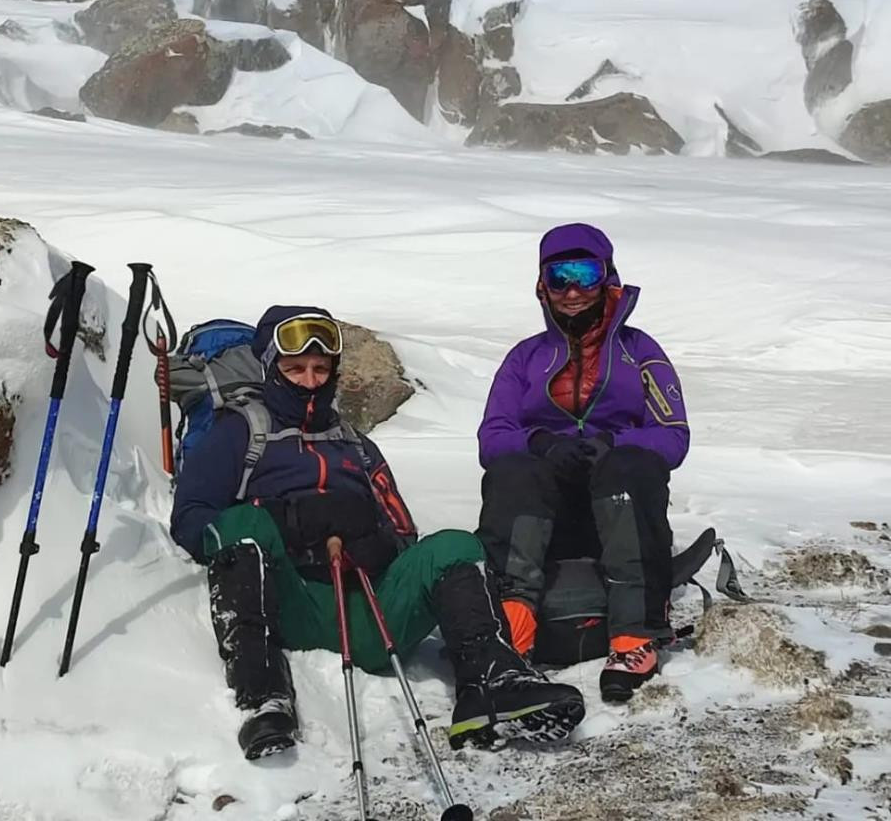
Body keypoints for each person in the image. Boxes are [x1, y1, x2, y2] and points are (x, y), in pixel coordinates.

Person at [170, 305, 585, 760]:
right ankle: (263, 695)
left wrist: (378, 543)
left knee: (454, 546)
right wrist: (282, 523)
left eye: (320, 368)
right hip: (291, 603)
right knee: (242, 525)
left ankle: (492, 682)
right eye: (295, 368)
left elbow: (403, 531)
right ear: (272, 368)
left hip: (368, 609)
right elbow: (192, 519)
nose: (309, 380)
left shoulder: (354, 443)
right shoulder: (242, 430)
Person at [476, 223, 689, 702]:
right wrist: (541, 444)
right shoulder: (524, 358)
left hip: (618, 510)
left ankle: (635, 635)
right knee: (514, 470)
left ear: (607, 279)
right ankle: (515, 627)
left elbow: (672, 435)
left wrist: (612, 445)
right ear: (542, 286)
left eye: (585, 274)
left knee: (631, 466)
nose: (571, 290)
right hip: (543, 519)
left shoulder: (641, 353)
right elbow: (493, 437)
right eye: (559, 277)